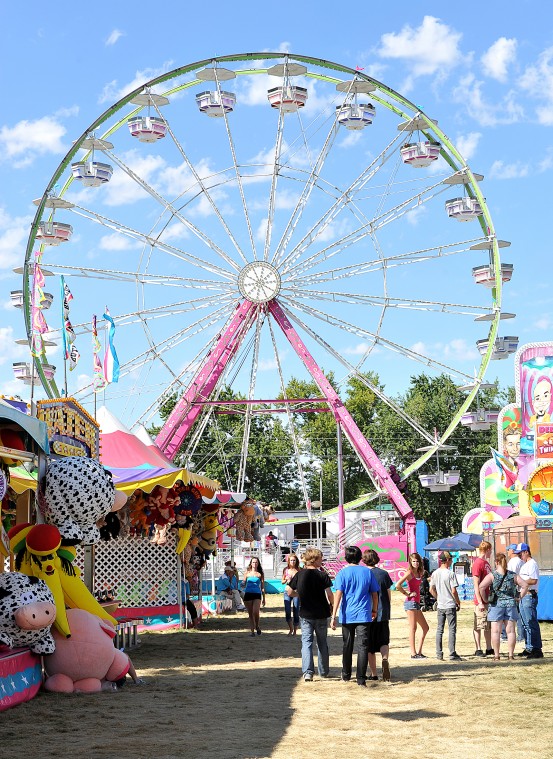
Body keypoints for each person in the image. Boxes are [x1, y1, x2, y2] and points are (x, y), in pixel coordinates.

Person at [330, 545, 379, 687]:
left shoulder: (342, 573)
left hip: (347, 614)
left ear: (346, 558)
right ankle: (361, 679)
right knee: (363, 646)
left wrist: (333, 615)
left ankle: (346, 674)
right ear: (360, 558)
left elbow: (338, 595)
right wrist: (374, 610)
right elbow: (375, 594)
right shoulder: (367, 573)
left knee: (347, 645)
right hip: (364, 614)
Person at [287, 547, 333, 682]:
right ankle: (323, 671)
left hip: (306, 613)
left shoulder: (299, 575)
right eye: (321, 558)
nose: (322, 561)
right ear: (315, 559)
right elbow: (330, 594)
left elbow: (289, 592)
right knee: (322, 643)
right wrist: (332, 607)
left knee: (306, 643)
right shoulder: (322, 575)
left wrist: (299, 595)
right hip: (321, 613)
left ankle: (308, 672)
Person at [479, 552, 528, 660]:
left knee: (495, 631)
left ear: (496, 562)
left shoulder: (492, 575)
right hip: (511, 604)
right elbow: (525, 585)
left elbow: (481, 587)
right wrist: (519, 597)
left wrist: (485, 599)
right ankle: (511, 655)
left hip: (496, 605)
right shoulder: (512, 575)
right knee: (511, 631)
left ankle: (497, 655)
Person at [362, 548, 393, 682]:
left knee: (370, 646)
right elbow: (388, 593)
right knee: (384, 640)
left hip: (368, 613)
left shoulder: (363, 574)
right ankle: (385, 659)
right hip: (383, 612)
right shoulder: (384, 574)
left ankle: (374, 673)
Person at [394, 552, 429, 659]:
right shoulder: (409, 573)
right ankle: (413, 653)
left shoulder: (420, 573)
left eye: (417, 561)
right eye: (414, 561)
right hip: (411, 602)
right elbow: (397, 585)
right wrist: (407, 593)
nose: (416, 563)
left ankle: (419, 652)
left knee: (425, 628)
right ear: (410, 562)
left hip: (417, 602)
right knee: (413, 627)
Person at [429, 551, 461, 661]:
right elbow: (454, 590)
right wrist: (458, 601)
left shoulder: (435, 573)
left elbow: (431, 589)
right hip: (450, 604)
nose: (451, 561)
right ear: (447, 560)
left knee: (440, 629)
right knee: (452, 629)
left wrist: (438, 598)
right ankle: (452, 653)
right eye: (451, 559)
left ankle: (439, 653)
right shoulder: (450, 574)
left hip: (440, 605)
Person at [516, 543, 543, 658]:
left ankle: (536, 649)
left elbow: (534, 580)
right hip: (523, 595)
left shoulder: (532, 564)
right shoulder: (525, 564)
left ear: (526, 552)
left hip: (529, 595)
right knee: (525, 623)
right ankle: (529, 646)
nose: (519, 556)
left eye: (520, 553)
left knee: (531, 622)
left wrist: (521, 582)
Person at [472, 540, 493, 657]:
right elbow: (476, 583)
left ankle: (489, 647)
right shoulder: (478, 563)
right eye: (491, 550)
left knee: (487, 625)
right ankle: (478, 648)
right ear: (487, 550)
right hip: (480, 600)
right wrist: (479, 601)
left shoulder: (486, 563)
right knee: (479, 624)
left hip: (487, 598)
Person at [243, 556, 265, 637]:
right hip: (248, 593)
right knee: (250, 614)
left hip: (257, 594)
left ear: (258, 563)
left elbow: (262, 587)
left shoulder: (260, 574)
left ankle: (257, 626)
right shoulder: (247, 573)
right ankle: (252, 631)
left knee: (256, 612)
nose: (254, 564)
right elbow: (243, 583)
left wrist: (264, 598)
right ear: (251, 563)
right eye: (253, 562)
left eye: (256, 562)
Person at [282, 553, 300, 634]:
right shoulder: (286, 570)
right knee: (288, 610)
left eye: (294, 560)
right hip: (287, 591)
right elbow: (282, 581)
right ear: (288, 561)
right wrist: (286, 579)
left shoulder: (299, 570)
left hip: (296, 592)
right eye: (291, 560)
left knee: (296, 610)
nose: (292, 562)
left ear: (296, 561)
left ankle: (295, 629)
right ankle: (290, 628)